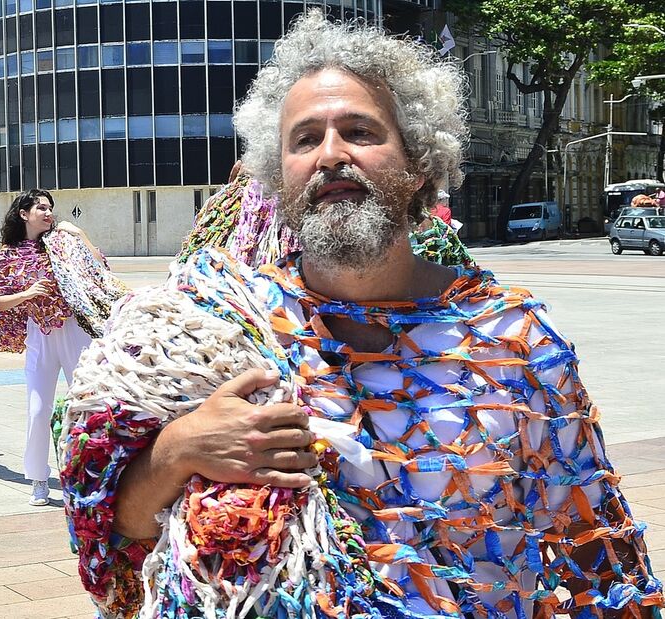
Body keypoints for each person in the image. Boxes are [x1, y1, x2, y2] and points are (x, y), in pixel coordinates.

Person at [61, 12, 661, 618]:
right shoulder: (208, 333)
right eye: (304, 139)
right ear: (278, 175)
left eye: (359, 131)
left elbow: (596, 556)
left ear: (419, 162)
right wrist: (178, 450)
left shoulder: (514, 345)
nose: (330, 155)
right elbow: (117, 535)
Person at [0, 189, 100, 506]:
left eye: (50, 208)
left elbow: (98, 266)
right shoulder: (8, 255)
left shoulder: (61, 243)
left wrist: (79, 233)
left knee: (89, 403)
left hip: (75, 330)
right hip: (41, 334)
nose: (48, 213)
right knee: (38, 410)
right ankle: (38, 478)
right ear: (24, 213)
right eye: (41, 208)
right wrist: (27, 294)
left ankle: (88, 473)